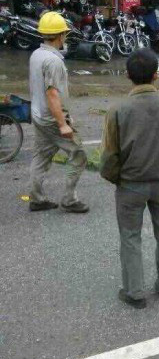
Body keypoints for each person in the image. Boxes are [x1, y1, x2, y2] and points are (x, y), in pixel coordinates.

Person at [100, 48, 159, 309]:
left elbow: (109, 155)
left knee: (130, 236)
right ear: (156, 75)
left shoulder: (118, 110)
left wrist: (117, 178)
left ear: (128, 75)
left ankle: (135, 292)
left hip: (130, 184)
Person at [28, 11, 88, 213]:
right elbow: (52, 94)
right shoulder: (53, 61)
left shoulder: (37, 54)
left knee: (42, 156)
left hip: (37, 114)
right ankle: (70, 200)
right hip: (51, 118)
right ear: (61, 35)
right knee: (78, 153)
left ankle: (36, 198)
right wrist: (62, 123)